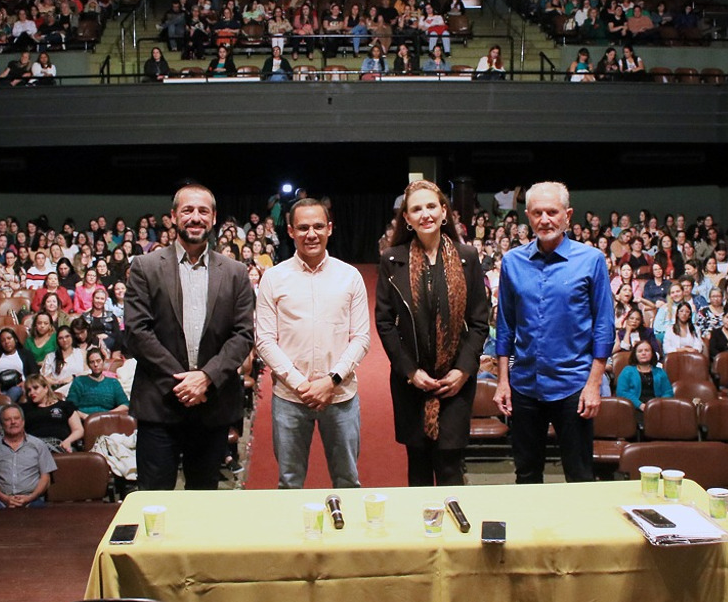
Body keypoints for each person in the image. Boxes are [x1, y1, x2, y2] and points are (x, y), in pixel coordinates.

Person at [124, 181, 255, 491]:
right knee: (154, 502)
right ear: (173, 216)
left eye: (203, 211)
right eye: (187, 210)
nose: (195, 217)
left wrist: (206, 378)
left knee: (203, 504)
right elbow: (137, 332)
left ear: (213, 218)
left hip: (213, 405)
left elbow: (243, 335)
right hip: (160, 403)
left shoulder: (235, 272)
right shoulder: (145, 267)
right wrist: (184, 381)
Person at [494, 182, 615, 483]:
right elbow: (506, 326)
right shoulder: (512, 262)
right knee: (526, 475)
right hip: (524, 385)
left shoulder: (591, 260)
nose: (545, 219)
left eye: (552, 212)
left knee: (579, 475)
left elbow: (604, 325)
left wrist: (594, 384)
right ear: (528, 216)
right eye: (537, 213)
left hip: (574, 385)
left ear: (567, 215)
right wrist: (502, 382)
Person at [375, 181, 488, 487]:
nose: (424, 214)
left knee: (451, 467)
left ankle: (454, 533)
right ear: (407, 219)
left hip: (455, 383)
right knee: (419, 468)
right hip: (411, 382)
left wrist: (463, 371)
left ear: (443, 212)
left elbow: (479, 322)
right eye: (416, 209)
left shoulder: (468, 257)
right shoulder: (392, 259)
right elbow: (384, 322)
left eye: (430, 206)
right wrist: (410, 371)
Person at [256, 198, 370, 489]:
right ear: (291, 231)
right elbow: (265, 341)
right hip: (291, 398)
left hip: (340, 395)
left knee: (348, 481)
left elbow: (361, 338)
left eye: (318, 226)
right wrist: (301, 384)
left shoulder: (350, 276)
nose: (311, 234)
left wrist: (329, 381)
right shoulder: (274, 277)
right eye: (303, 227)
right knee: (289, 483)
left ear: (329, 229)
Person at [0, 404, 57, 508]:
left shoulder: (38, 445)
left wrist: (30, 498)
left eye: (16, 418)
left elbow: (45, 478)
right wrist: (5, 498)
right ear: (1, 424)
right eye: (7, 419)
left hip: (33, 499)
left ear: (23, 421)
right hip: (1, 500)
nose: (13, 422)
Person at [23, 373, 84, 452]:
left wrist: (68, 441)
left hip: (60, 444)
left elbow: (78, 430)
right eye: (29, 390)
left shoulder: (64, 406)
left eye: (35, 388)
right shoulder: (24, 409)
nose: (31, 392)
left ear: (45, 388)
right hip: (35, 446)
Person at [615, 340, 671, 420]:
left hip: (657, 408)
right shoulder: (627, 371)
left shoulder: (660, 372)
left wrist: (658, 404)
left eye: (647, 350)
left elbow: (668, 392)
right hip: (634, 407)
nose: (643, 353)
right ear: (635, 355)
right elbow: (622, 392)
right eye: (640, 351)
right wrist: (639, 405)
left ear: (652, 353)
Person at [66, 348, 129, 415]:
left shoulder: (113, 383)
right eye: (92, 362)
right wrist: (85, 417)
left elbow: (125, 404)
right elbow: (70, 406)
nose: (96, 364)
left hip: (107, 419)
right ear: (88, 364)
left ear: (104, 361)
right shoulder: (79, 381)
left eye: (98, 361)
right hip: (83, 419)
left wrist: (108, 414)